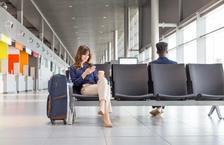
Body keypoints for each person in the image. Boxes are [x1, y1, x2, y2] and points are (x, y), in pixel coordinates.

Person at [69, 45, 112, 127]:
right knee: (107, 89)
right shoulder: (73, 68)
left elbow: (97, 80)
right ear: (79, 54)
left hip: (96, 87)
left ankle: (102, 107)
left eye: (88, 55)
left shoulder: (90, 66)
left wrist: (101, 76)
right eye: (84, 54)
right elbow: (75, 83)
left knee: (104, 81)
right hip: (85, 89)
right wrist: (85, 73)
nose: (86, 57)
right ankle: (106, 117)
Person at [149, 42, 177, 116]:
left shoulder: (152, 64)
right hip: (171, 90)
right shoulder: (174, 64)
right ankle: (159, 108)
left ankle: (158, 108)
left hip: (156, 91)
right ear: (167, 51)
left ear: (157, 52)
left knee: (156, 86)